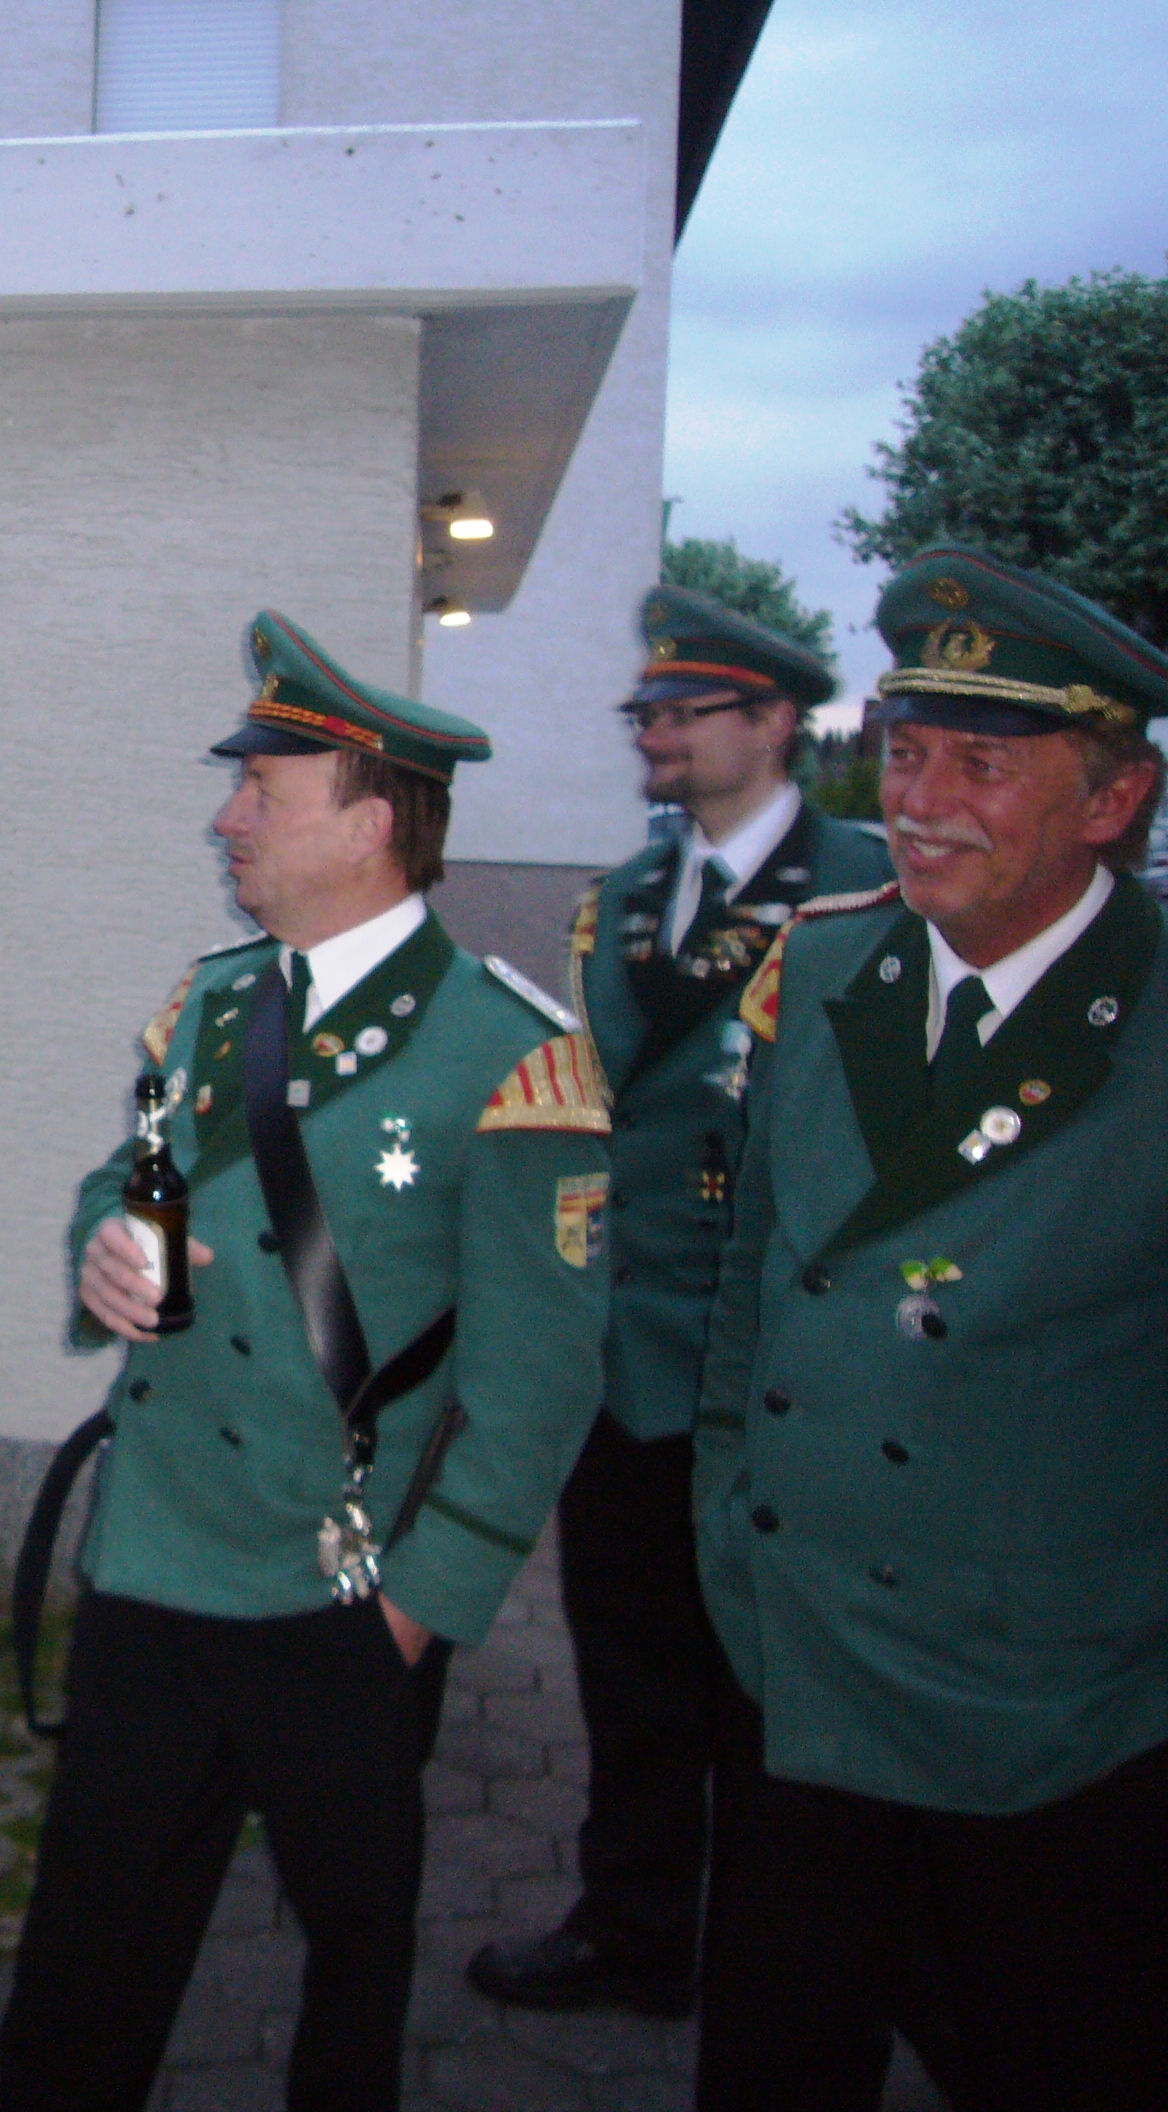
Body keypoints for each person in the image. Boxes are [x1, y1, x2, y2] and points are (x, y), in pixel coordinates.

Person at [0, 613, 611, 2112]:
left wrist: (417, 1608)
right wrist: (107, 1245)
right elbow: (134, 1174)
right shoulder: (214, 1005)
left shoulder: (508, 1056)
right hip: (155, 1556)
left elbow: (537, 1387)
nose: (229, 818)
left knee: (353, 1960)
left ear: (374, 824)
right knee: (87, 1955)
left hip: (341, 1588)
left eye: (264, 789)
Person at [690, 547, 1168, 2110]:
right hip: (801, 1676)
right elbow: (753, 1291)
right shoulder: (830, 964)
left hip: (1050, 1728)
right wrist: (730, 1540)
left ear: (1114, 799)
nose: (922, 801)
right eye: (907, 753)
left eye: (985, 763)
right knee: (775, 2064)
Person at [468, 587, 885, 2017]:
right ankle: (635, 1928)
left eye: (682, 711)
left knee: (769, 1682)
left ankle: (779, 1957)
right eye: (643, 711)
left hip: (778, 1358)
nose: (651, 733)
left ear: (775, 724)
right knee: (633, 1672)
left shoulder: (869, 887)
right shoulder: (626, 897)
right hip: (630, 1355)